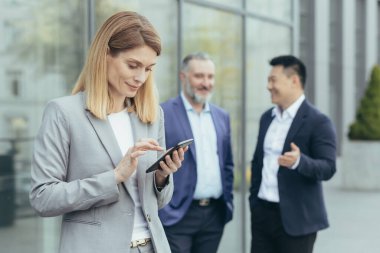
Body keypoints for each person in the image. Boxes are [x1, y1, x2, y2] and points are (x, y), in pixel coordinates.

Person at [29, 11, 187, 253]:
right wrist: (113, 177)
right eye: (133, 65)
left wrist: (161, 177)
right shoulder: (64, 113)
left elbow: (160, 202)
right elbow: (43, 198)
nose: (140, 77)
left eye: (148, 68)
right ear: (104, 55)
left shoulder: (152, 116)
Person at [249, 55, 337, 253]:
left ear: (294, 81)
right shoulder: (267, 118)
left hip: (298, 223)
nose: (268, 86)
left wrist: (299, 162)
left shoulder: (319, 121)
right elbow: (257, 163)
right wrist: (254, 203)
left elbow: (329, 167)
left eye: (273, 80)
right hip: (263, 216)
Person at [158, 52, 234, 253]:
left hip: (214, 215)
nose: (206, 82)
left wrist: (228, 203)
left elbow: (227, 163)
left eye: (210, 77)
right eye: (199, 76)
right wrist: (164, 211)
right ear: (183, 77)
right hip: (177, 215)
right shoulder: (163, 113)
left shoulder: (222, 116)